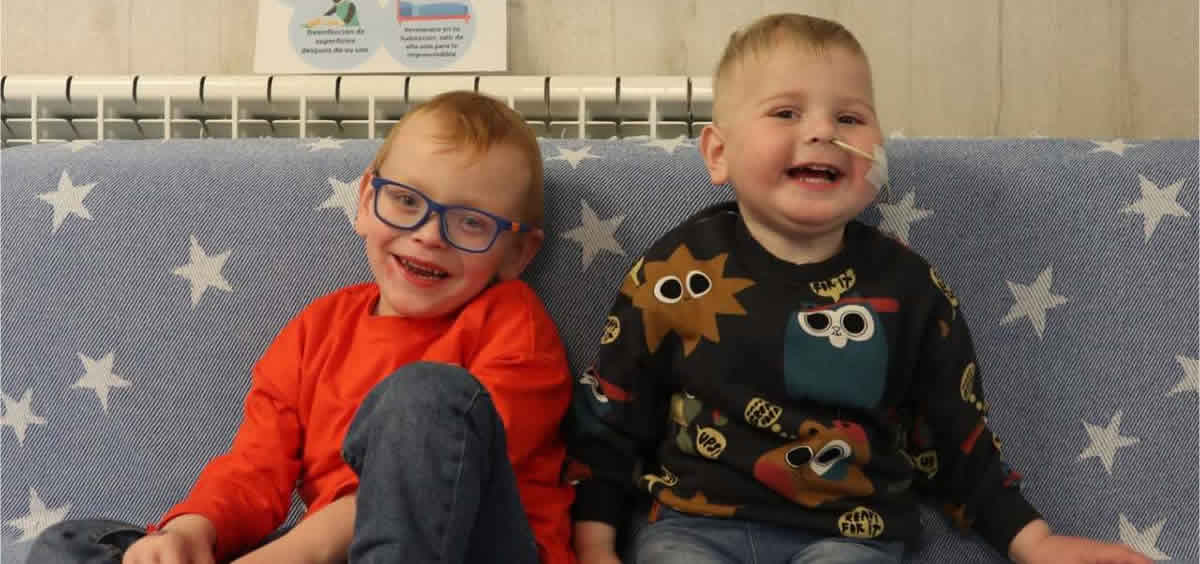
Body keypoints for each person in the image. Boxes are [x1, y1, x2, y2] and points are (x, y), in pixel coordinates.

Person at [565, 13, 1151, 564]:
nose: (823, 131)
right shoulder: (675, 272)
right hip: (694, 527)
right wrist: (595, 545)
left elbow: (956, 439)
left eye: (849, 119)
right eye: (786, 113)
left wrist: (1035, 542)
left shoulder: (910, 289)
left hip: (848, 533)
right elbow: (612, 417)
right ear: (719, 153)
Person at [31, 91, 576, 564]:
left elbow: (436, 483)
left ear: (517, 253)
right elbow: (254, 469)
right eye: (407, 200)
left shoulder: (514, 324)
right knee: (77, 544)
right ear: (366, 201)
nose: (429, 235)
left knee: (427, 396)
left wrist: (290, 555)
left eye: (471, 222)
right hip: (324, 551)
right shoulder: (318, 328)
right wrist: (190, 532)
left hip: (465, 548)